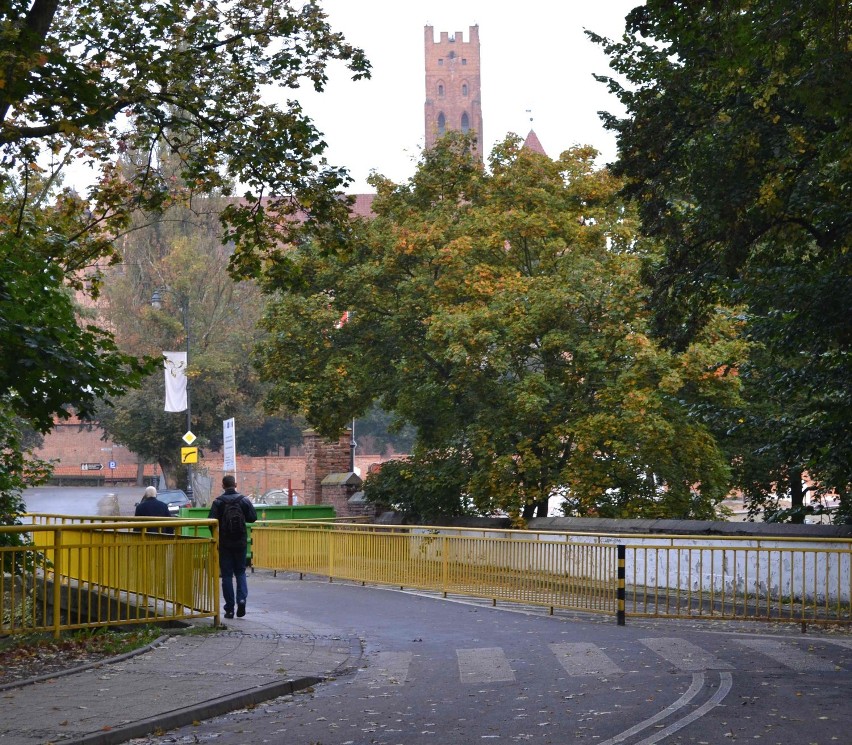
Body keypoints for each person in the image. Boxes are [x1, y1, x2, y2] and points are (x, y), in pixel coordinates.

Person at [208, 475, 257, 619]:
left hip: (225, 543)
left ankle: (229, 608)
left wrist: (217, 538)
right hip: (240, 542)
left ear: (223, 486)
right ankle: (241, 600)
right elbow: (253, 518)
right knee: (241, 572)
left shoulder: (218, 502)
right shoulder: (243, 500)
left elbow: (210, 522)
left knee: (227, 575)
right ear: (235, 484)